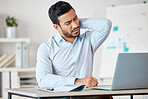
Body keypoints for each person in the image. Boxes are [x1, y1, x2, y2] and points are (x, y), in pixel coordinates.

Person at [36, 1, 112, 99]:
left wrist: (77, 22)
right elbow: (43, 79)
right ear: (57, 27)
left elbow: (106, 24)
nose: (75, 25)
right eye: (68, 23)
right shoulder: (47, 47)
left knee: (106, 96)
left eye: (75, 18)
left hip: (86, 95)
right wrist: (77, 81)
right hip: (62, 96)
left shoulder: (88, 40)